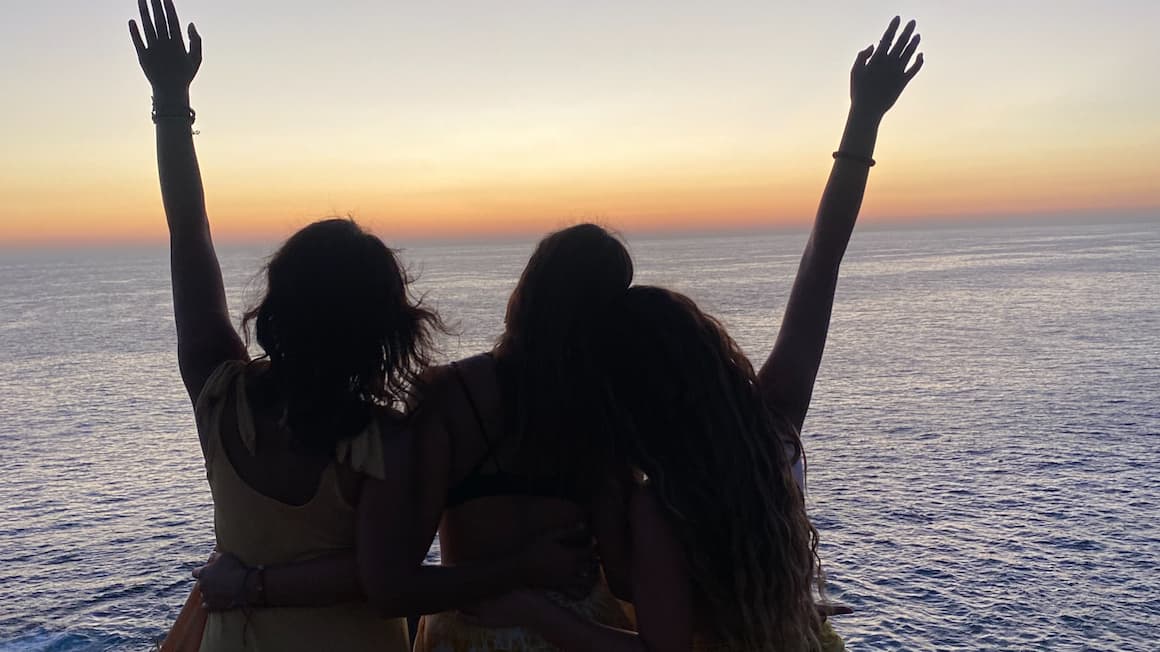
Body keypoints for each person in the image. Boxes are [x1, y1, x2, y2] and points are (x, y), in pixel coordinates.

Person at [130, 2, 592, 650]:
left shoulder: (219, 396)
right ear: (384, 330)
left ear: (277, 306)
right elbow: (383, 583)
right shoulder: (382, 442)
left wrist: (171, 102)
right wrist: (524, 568)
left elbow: (188, 230)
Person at [463, 17, 925, 652]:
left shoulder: (659, 506)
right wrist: (863, 119)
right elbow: (823, 262)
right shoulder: (774, 437)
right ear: (710, 359)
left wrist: (541, 615)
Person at [197, 223, 638, 649]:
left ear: (526, 293)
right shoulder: (609, 407)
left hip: (472, 632)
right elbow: (622, 573)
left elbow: (391, 583)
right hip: (581, 627)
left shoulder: (449, 395)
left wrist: (251, 583)